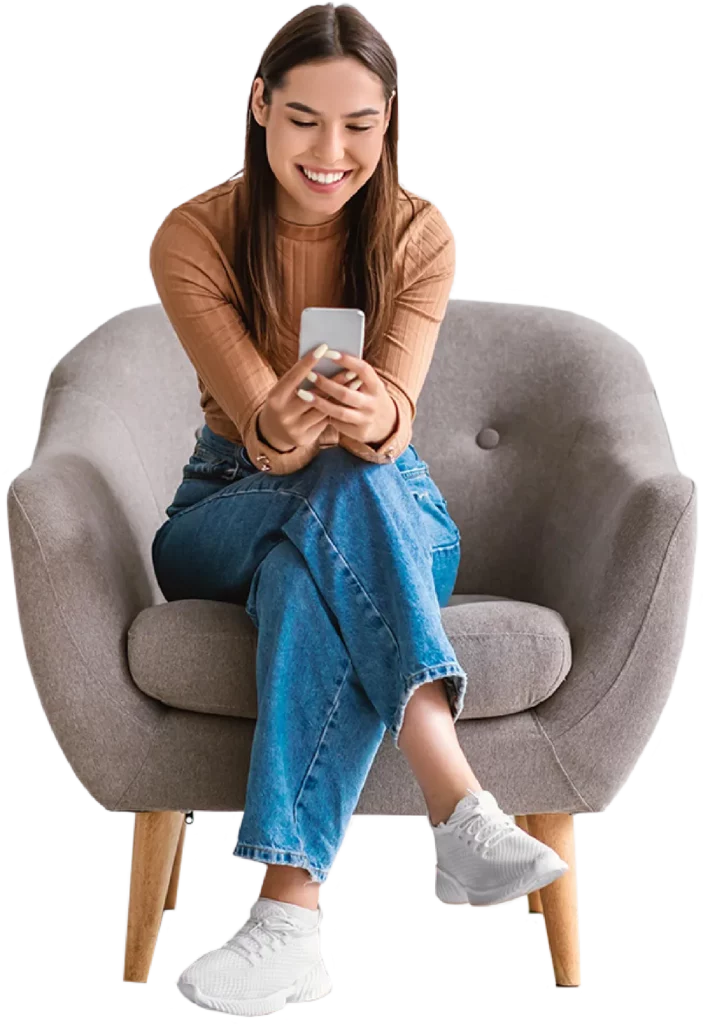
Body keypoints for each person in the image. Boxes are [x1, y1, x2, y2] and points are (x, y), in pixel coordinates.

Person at [148, 3, 567, 1015]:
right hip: (227, 504)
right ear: (258, 107)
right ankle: (456, 800)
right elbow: (261, 433)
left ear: (389, 123)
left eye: (358, 126)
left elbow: (394, 420)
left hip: (382, 500)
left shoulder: (420, 235)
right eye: (301, 120)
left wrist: (376, 412)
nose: (329, 153)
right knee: (320, 485)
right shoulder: (192, 236)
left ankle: (286, 918)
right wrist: (289, 422)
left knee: (317, 553)